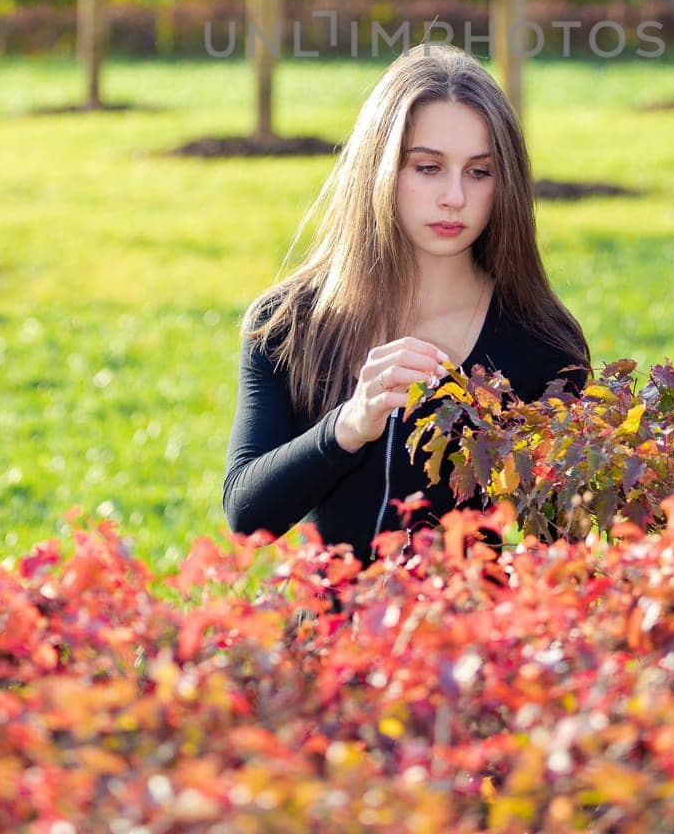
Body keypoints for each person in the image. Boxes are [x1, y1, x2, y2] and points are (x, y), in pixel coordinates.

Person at [222, 40, 591, 567]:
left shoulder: (543, 343)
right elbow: (246, 516)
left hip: (470, 645)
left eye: (479, 172)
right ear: (380, 168)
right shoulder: (288, 323)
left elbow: (561, 551)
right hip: (325, 644)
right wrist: (349, 425)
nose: (455, 197)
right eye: (427, 167)